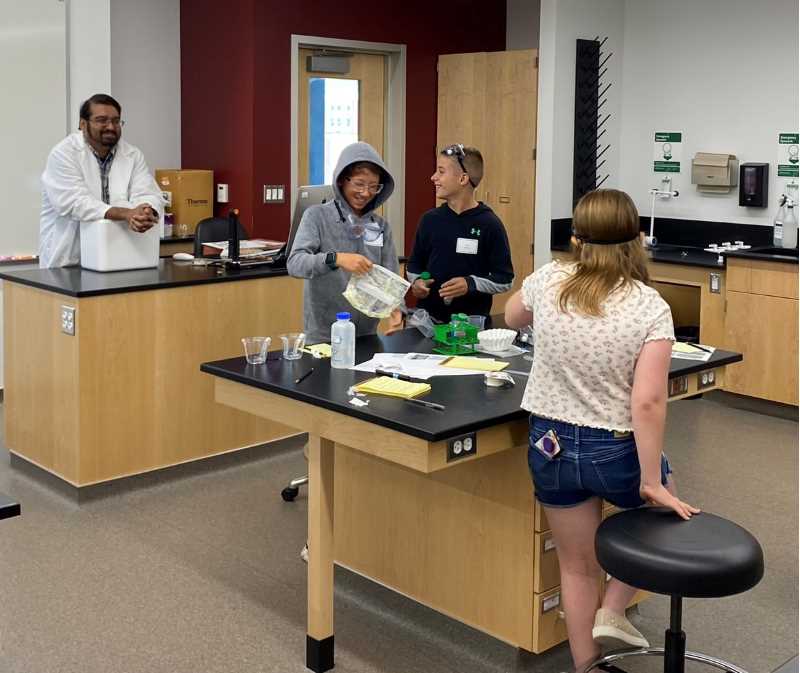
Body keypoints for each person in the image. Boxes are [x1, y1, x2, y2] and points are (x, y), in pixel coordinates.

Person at [504, 189, 700, 673]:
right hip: (613, 447)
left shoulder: (550, 279)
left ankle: (586, 666)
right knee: (667, 520)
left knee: (575, 565)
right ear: (637, 239)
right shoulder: (648, 305)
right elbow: (648, 401)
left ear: (575, 237)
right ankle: (613, 609)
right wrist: (651, 481)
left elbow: (511, 317)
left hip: (549, 442)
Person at [287, 141, 403, 344]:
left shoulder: (381, 226)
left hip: (367, 335)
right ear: (342, 181)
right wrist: (336, 259)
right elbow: (295, 263)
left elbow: (391, 277)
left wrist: (397, 309)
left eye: (373, 187)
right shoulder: (317, 216)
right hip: (324, 335)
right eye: (359, 184)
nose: (365, 193)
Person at [39, 93, 162, 268]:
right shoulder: (64, 154)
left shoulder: (133, 155)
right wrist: (126, 214)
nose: (110, 126)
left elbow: (147, 192)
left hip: (118, 257)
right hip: (68, 261)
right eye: (102, 120)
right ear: (83, 124)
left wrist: (146, 211)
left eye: (116, 120)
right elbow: (74, 203)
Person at [406, 144, 513, 323]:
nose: (433, 178)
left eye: (441, 172)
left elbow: (505, 280)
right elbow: (414, 265)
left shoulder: (489, 224)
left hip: (469, 329)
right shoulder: (429, 220)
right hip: (426, 323)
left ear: (463, 179)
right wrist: (417, 282)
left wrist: (470, 283)